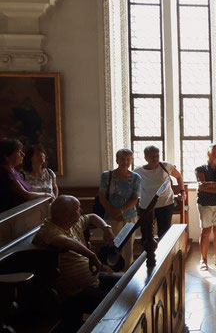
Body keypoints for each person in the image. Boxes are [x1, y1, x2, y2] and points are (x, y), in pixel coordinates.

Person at [32, 195, 119, 332]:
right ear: (66, 215)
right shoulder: (48, 231)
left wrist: (106, 228)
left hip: (93, 280)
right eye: (78, 209)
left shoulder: (72, 222)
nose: (82, 211)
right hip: (76, 293)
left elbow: (92, 216)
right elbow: (62, 240)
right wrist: (90, 255)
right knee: (115, 305)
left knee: (126, 284)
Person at [98, 149, 141, 270]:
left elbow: (134, 199)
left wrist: (121, 211)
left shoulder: (136, 178)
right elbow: (102, 197)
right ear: (117, 160)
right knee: (111, 244)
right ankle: (111, 271)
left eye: (128, 159)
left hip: (129, 215)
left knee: (128, 247)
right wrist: (113, 212)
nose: (125, 162)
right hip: (110, 215)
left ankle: (127, 272)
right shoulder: (107, 176)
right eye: (122, 159)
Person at [135, 145, 186, 240]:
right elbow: (132, 186)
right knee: (146, 232)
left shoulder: (166, 166)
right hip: (146, 205)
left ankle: (163, 253)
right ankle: (148, 253)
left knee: (164, 233)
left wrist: (182, 191)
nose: (155, 158)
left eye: (157, 155)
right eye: (152, 156)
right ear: (145, 157)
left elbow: (179, 177)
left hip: (165, 203)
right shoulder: (138, 171)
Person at [1, 138, 50, 213]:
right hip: (9, 216)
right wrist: (46, 195)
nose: (23, 154)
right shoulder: (5, 174)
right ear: (7, 156)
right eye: (18, 152)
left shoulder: (14, 171)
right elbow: (26, 195)